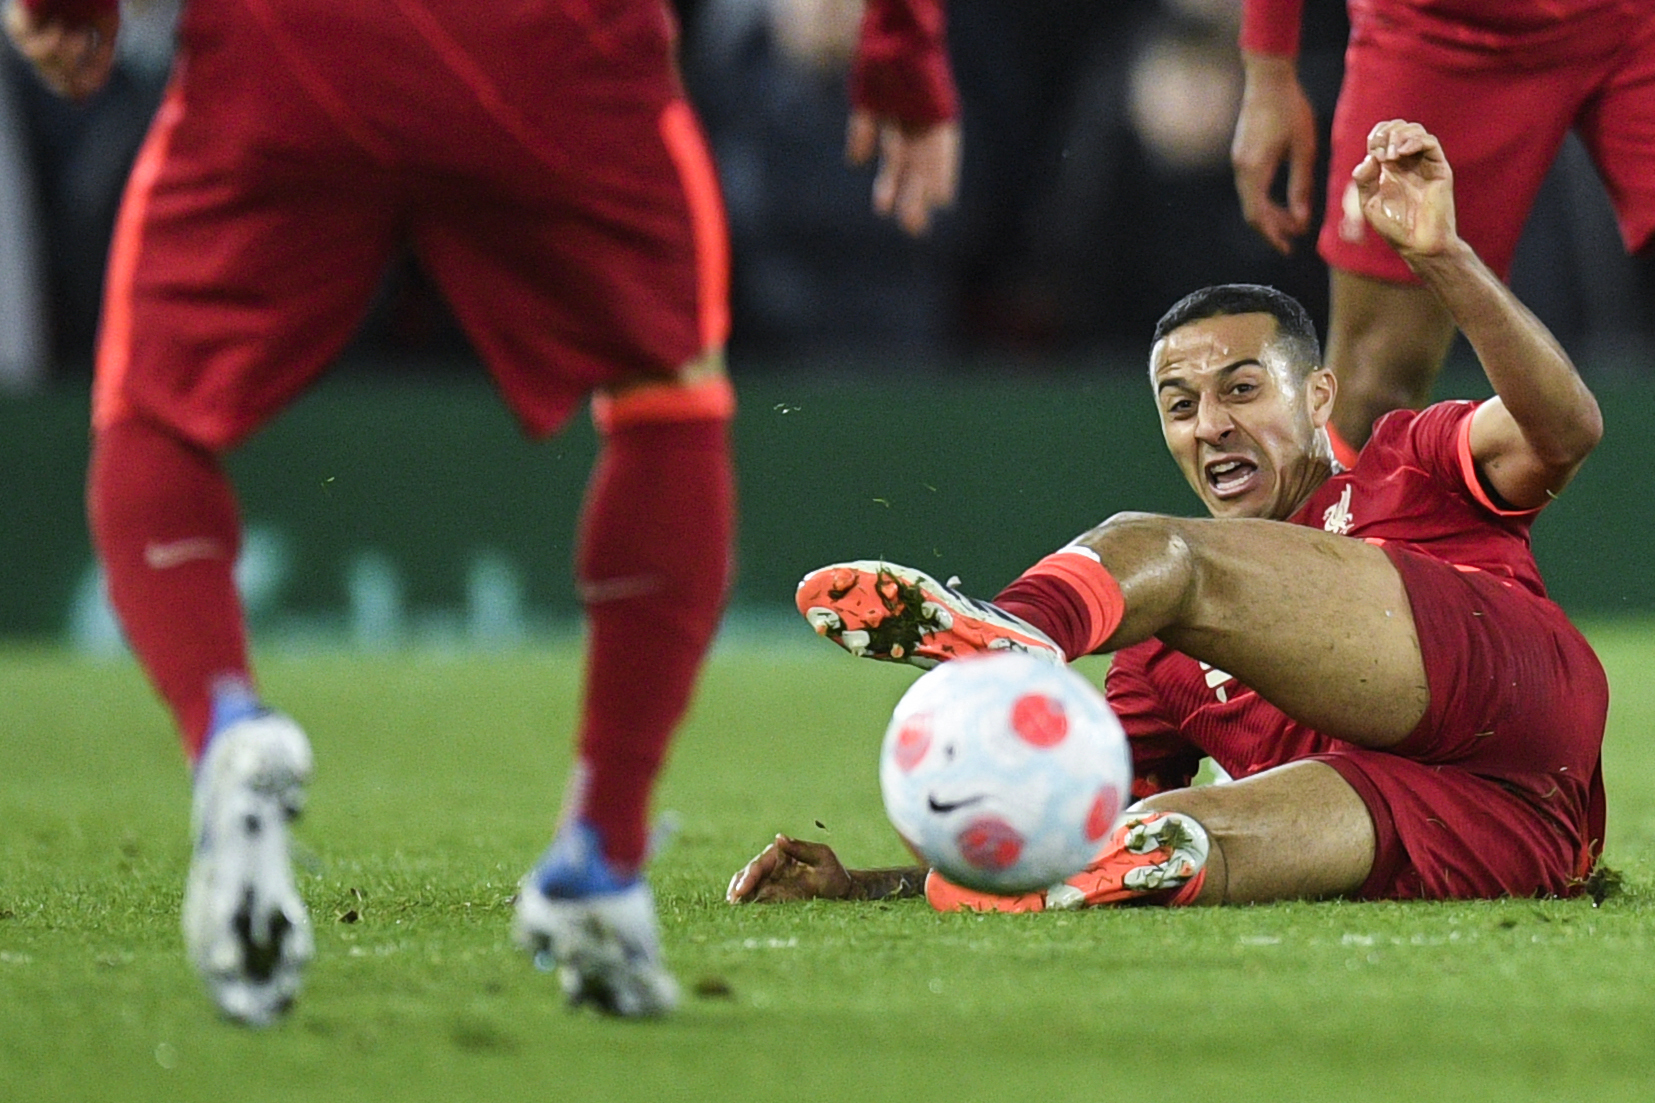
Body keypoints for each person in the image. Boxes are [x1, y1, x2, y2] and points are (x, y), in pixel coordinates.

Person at [5, 0, 959, 1023]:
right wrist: (902, 54)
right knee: (667, 401)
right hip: (553, 45)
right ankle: (601, 854)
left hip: (298, 41)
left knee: (150, 412)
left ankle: (227, 726)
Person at [728, 119, 1609, 914]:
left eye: (1240, 389)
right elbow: (1055, 817)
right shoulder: (1153, 665)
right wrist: (862, 887)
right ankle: (1137, 851)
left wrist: (1444, 259)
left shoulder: (1406, 461)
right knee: (1173, 828)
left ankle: (1015, 629)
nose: (1209, 424)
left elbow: (1565, 430)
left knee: (1171, 553)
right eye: (1179, 405)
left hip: (1515, 693)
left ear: (1317, 398)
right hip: (1511, 833)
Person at [1229, 0, 1654, 463]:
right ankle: (1328, 511)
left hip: (1637, 22)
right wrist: (1269, 73)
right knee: (1374, 393)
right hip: (1436, 35)